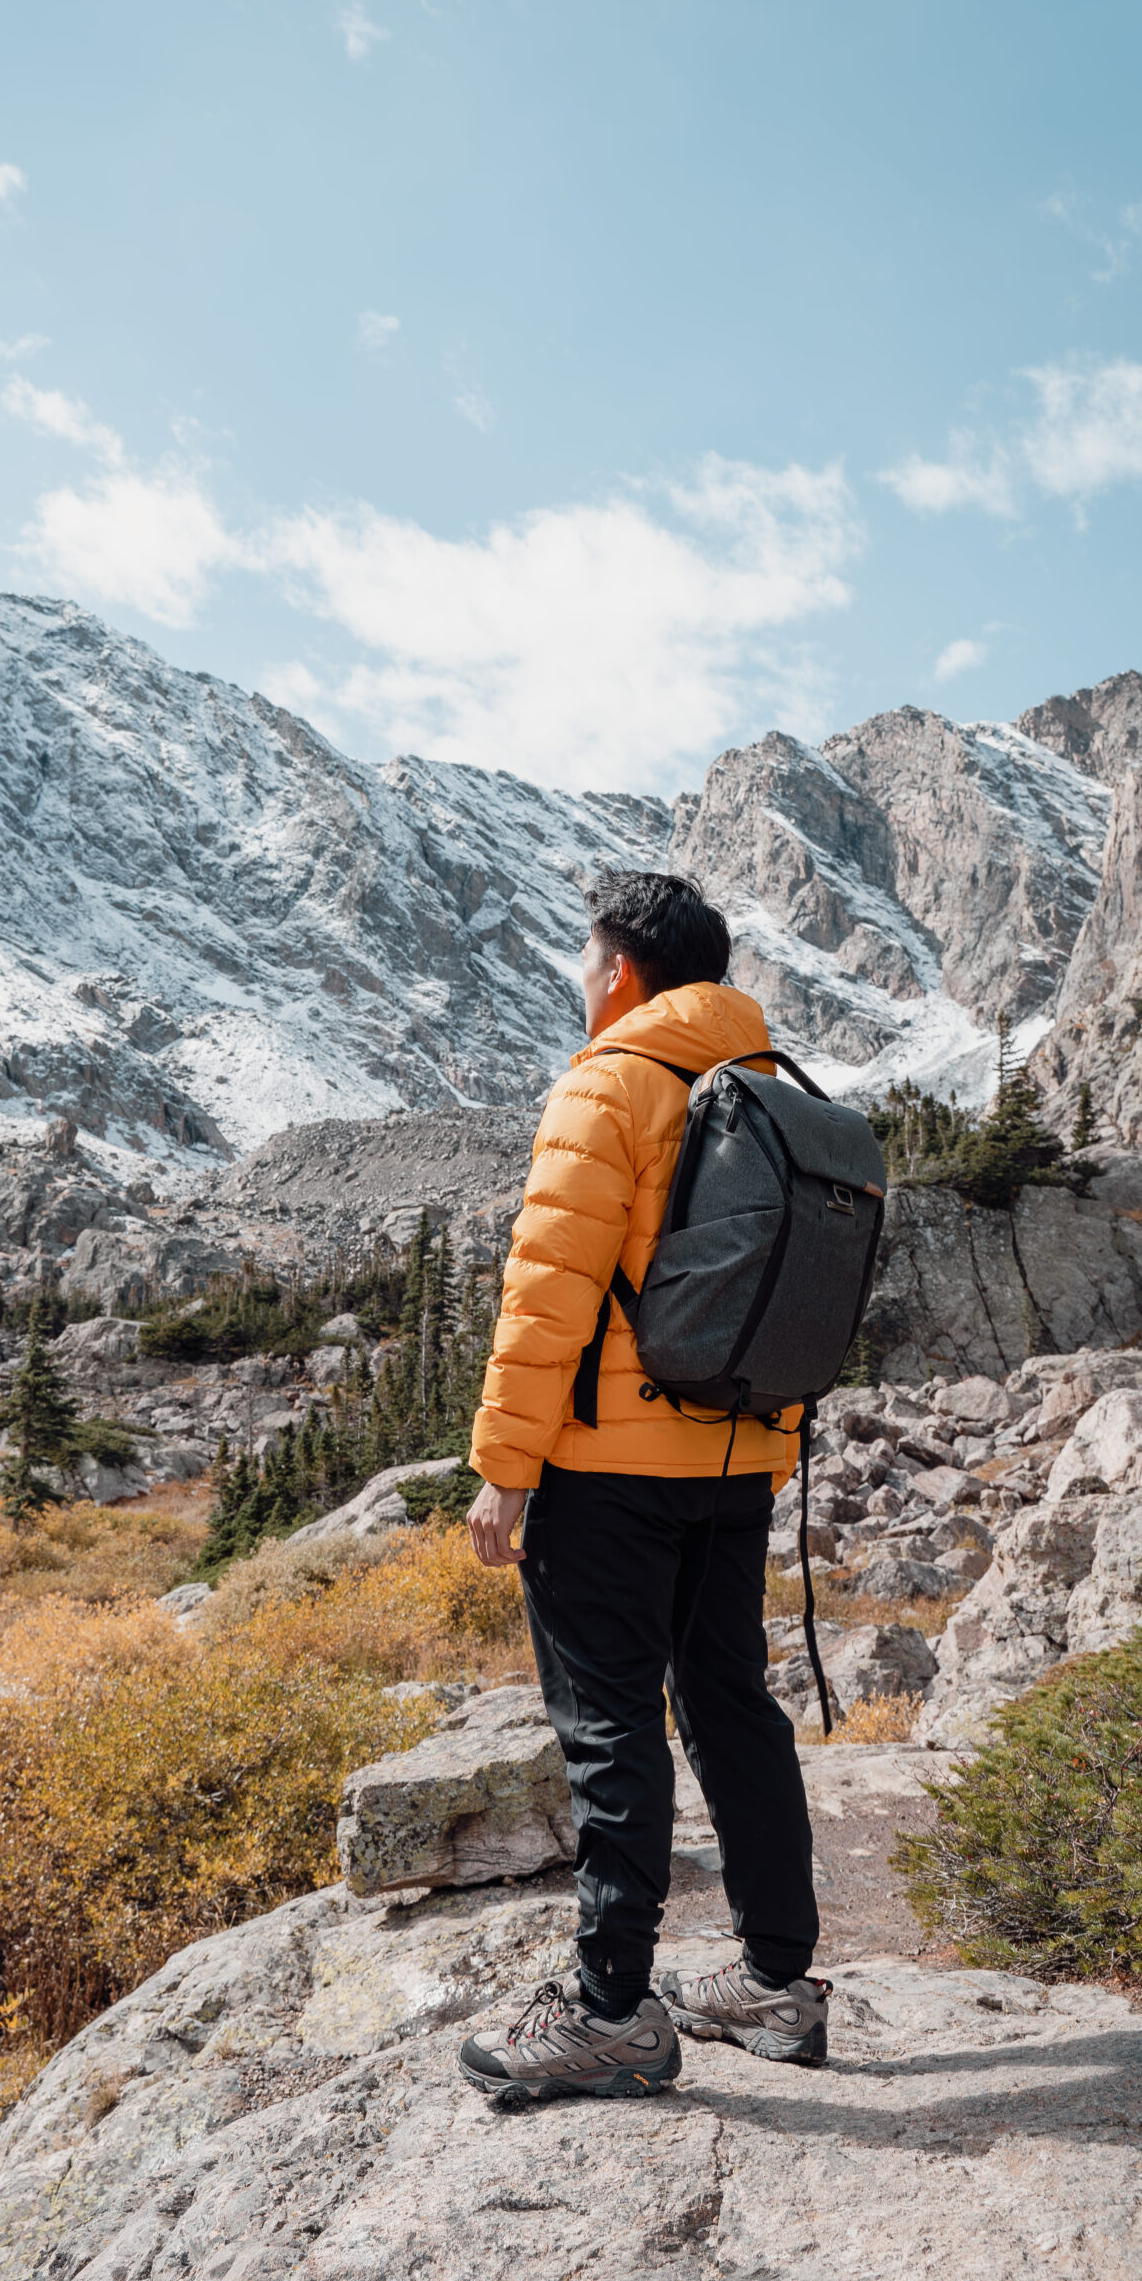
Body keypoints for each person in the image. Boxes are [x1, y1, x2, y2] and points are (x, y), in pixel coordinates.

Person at [458, 869, 829, 2102]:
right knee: (730, 1703)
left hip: (609, 1465)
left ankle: (611, 2011)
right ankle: (777, 1982)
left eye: (585, 959)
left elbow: (551, 1287)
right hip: (737, 1459)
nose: (581, 979)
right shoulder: (769, 1086)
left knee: (610, 1726)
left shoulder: (607, 1080)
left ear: (619, 970)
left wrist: (506, 1470)